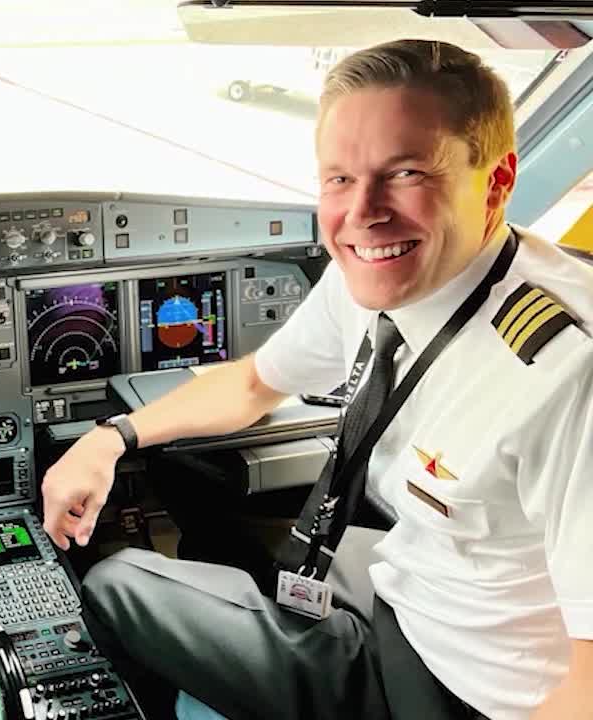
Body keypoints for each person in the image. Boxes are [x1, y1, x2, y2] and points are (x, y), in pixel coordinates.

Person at [42, 40, 593, 720]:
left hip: (462, 689)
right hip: (417, 583)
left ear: (500, 180)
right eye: (338, 179)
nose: (362, 213)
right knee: (212, 495)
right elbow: (252, 384)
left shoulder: (569, 375)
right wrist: (111, 437)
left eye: (407, 173)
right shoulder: (380, 270)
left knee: (119, 581)